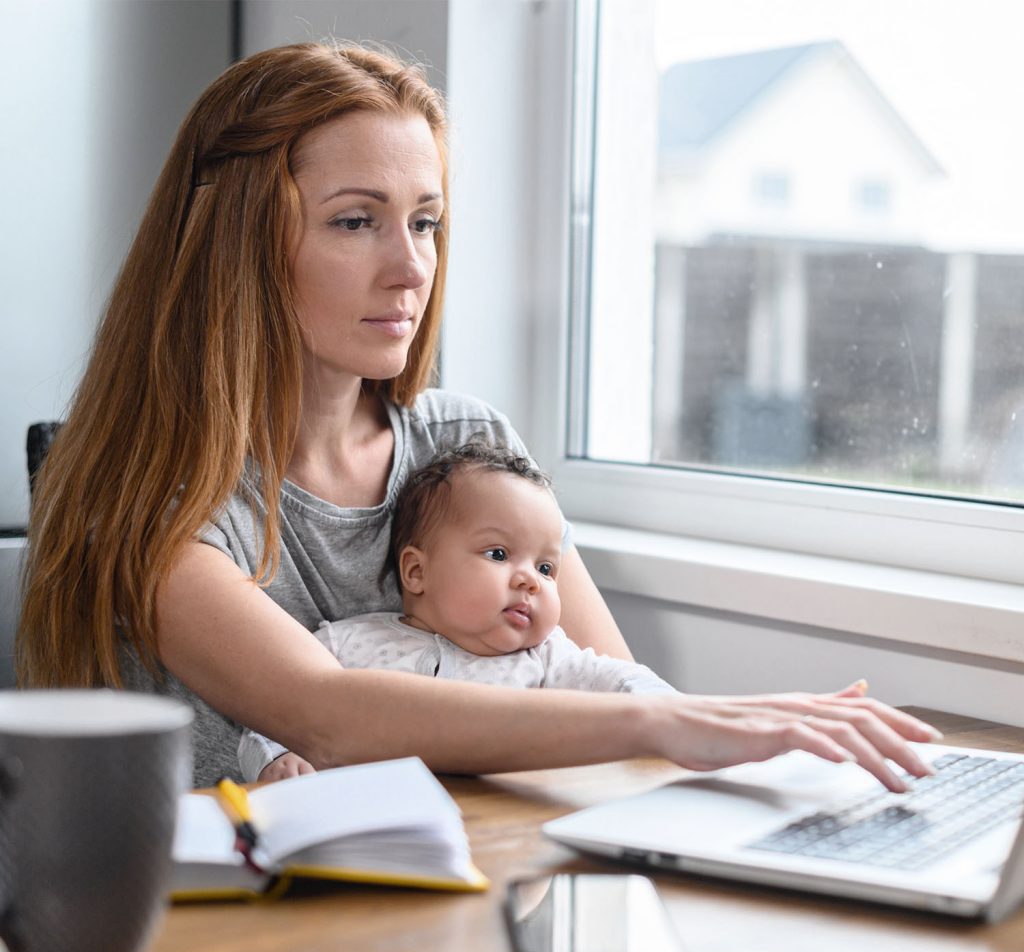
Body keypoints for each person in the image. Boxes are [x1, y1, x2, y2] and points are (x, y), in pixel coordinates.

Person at [17, 41, 940, 792]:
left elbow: (591, 681)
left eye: (425, 222)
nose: (411, 269)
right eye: (354, 221)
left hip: (450, 892)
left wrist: (722, 733)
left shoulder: (469, 444)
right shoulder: (138, 498)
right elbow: (324, 713)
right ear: (236, 245)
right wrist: (681, 717)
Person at [239, 441, 679, 782]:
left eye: (546, 567)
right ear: (416, 571)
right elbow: (281, 713)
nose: (531, 579)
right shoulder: (347, 643)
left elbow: (619, 680)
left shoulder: (546, 660)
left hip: (502, 834)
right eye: (499, 553)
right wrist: (277, 759)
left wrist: (674, 709)